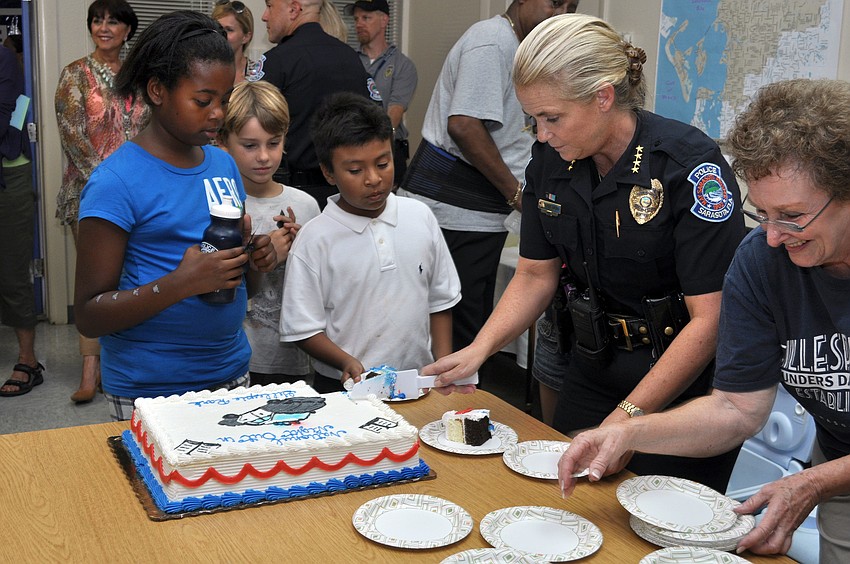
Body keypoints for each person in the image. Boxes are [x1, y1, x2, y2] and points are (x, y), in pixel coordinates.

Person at [426, 14, 747, 492]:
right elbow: (536, 275)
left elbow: (711, 318)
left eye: (552, 118)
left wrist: (627, 420)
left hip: (682, 385)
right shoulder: (550, 162)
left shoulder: (686, 165)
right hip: (595, 365)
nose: (540, 134)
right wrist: (479, 350)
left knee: (657, 527)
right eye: (532, 119)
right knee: (565, 505)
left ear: (603, 96)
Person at [559, 78, 850, 561]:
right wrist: (628, 431)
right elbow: (735, 409)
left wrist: (814, 481)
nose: (774, 236)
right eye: (763, 214)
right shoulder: (761, 261)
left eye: (793, 216)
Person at [73, 11, 276, 421]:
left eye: (224, 99)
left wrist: (253, 262)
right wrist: (180, 283)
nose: (218, 114)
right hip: (150, 392)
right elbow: (89, 315)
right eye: (203, 101)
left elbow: (236, 288)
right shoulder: (116, 182)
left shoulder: (222, 166)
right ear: (157, 90)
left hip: (231, 375)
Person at [400, 0, 576, 353]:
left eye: (571, 7)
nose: (561, 14)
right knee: (458, 327)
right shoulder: (492, 41)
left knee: (471, 320)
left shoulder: (521, 48)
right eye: (555, 3)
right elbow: (464, 125)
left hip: (482, 214)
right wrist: (517, 196)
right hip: (455, 212)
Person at [279, 92, 460, 393]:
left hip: (419, 383)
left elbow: (440, 301)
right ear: (328, 172)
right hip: (346, 387)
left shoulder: (420, 216)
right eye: (355, 170)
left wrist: (441, 366)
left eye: (383, 163)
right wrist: (345, 361)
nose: (373, 179)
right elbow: (302, 327)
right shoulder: (315, 239)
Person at [54, 0, 150, 403]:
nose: (103, 27)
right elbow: (71, 134)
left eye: (113, 21)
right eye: (97, 20)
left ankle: (129, 361)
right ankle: (90, 366)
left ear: (128, 29)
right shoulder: (74, 74)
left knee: (137, 277)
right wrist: (111, 181)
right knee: (96, 281)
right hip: (90, 192)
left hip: (144, 192)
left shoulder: (142, 76)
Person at [219, 80, 321, 385]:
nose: (264, 156)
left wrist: (304, 246)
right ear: (223, 142)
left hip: (293, 358)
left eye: (273, 143)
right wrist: (259, 258)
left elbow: (321, 287)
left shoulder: (304, 205)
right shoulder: (218, 204)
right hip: (235, 357)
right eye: (250, 145)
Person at [256, 0, 380, 209]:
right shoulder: (350, 57)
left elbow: (246, 125)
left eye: (270, 6)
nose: (264, 16)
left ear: (294, 9)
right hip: (348, 196)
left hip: (295, 198)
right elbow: (377, 117)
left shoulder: (278, 61)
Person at [0, 44, 43, 397]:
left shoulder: (2, 58)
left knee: (12, 270)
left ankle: (28, 360)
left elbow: (5, 110)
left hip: (8, 176)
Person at [345, 0, 417, 187]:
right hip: (351, 148)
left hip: (388, 150)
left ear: (384, 20)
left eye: (366, 18)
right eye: (356, 19)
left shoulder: (402, 65)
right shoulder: (348, 60)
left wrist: (376, 143)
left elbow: (395, 111)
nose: (359, 23)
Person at [212, 0, 254, 84]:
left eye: (229, 30)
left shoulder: (257, 74)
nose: (221, 34)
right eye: (218, 28)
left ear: (245, 37)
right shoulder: (205, 71)